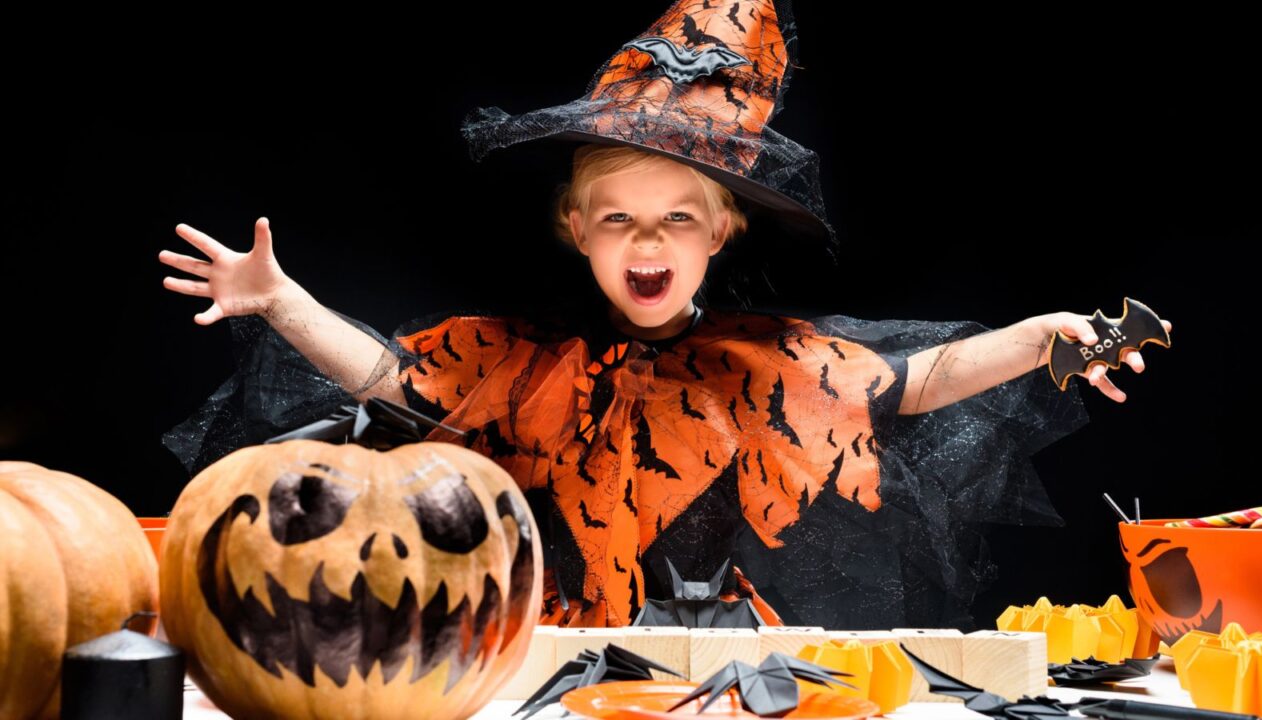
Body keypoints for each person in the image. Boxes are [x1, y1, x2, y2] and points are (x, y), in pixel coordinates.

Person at [159, 0, 1172, 630]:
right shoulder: (520, 367)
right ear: (575, 230)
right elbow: (385, 377)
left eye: (675, 220)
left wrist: (1040, 338)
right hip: (551, 653)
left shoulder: (770, 366)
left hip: (720, 656)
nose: (647, 244)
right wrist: (282, 303)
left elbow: (920, 380)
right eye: (619, 221)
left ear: (719, 233)